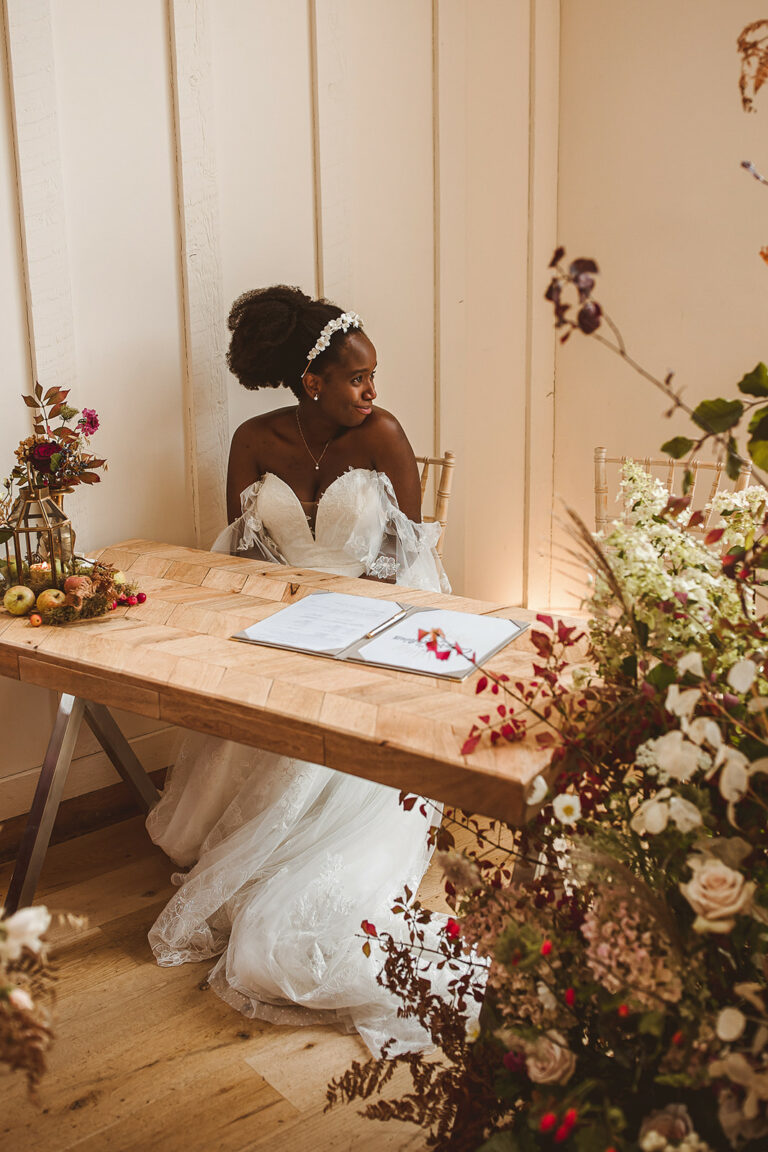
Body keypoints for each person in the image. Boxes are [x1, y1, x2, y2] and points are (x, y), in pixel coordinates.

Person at [146, 286, 452, 1056]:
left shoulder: (383, 434)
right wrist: (272, 617)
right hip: (283, 619)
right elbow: (242, 551)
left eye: (373, 375)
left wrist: (367, 629)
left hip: (376, 616)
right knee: (240, 732)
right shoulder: (253, 437)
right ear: (313, 380)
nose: (372, 390)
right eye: (358, 378)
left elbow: (413, 555)